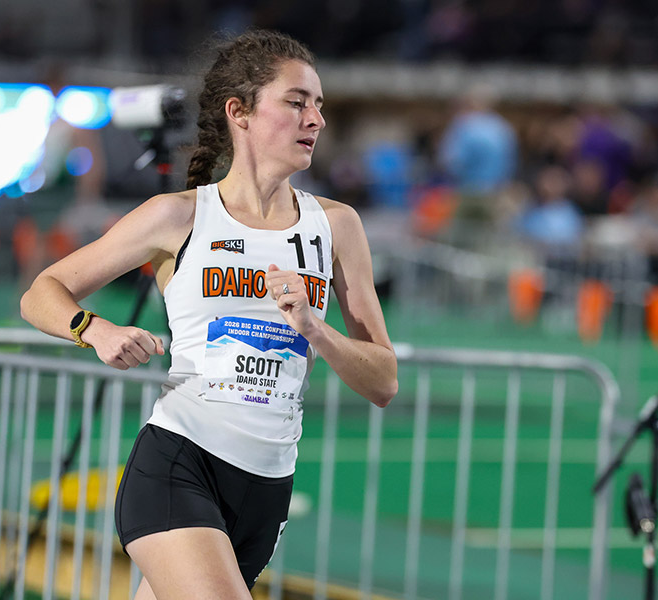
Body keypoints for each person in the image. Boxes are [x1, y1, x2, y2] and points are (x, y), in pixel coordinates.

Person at [20, 30, 397, 599]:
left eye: (319, 104)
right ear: (239, 113)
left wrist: (316, 329)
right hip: (180, 463)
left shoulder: (337, 226)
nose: (315, 119)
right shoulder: (179, 216)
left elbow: (384, 380)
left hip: (267, 488)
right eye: (296, 102)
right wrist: (92, 329)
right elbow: (42, 291)